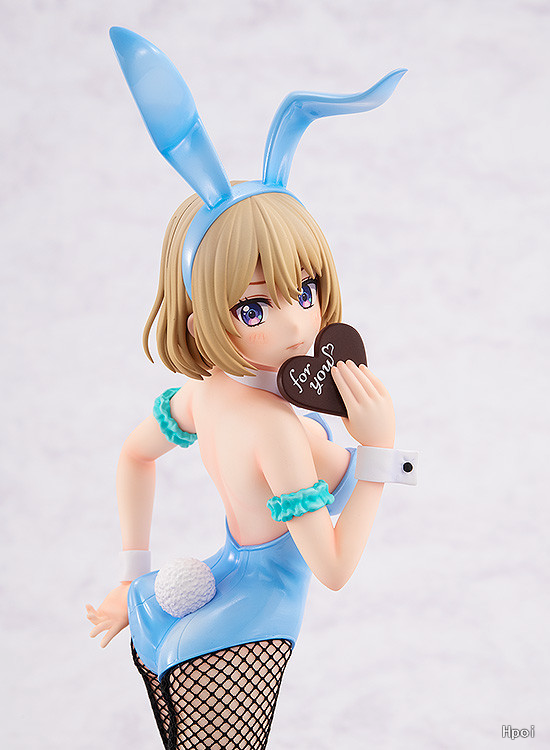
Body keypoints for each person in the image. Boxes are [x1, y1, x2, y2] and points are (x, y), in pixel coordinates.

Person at [86, 27, 415, 750]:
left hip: (221, 579)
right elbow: (332, 568)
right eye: (253, 308)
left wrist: (133, 577)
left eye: (305, 290)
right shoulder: (274, 428)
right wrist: (379, 457)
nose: (296, 324)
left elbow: (133, 456)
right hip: (256, 616)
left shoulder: (204, 395)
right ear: (203, 317)